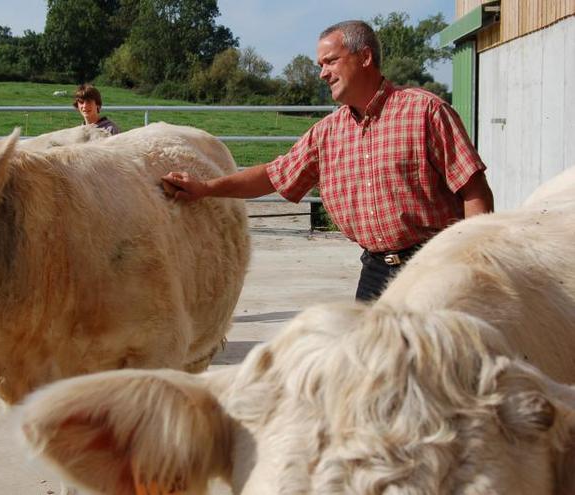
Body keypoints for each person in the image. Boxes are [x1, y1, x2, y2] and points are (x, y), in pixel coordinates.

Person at [162, 20, 494, 302]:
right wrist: (205, 188)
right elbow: (273, 176)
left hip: (433, 264)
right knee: (370, 369)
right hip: (376, 272)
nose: (322, 73)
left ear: (364, 57)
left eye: (330, 61)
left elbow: (474, 191)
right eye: (320, 65)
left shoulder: (425, 112)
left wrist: (470, 264)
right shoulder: (327, 133)